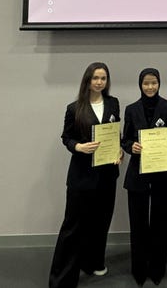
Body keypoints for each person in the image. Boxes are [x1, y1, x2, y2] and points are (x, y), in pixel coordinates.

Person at [48, 62, 122, 288]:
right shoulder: (74, 108)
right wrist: (79, 147)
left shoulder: (113, 103)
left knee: (100, 222)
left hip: (107, 174)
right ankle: (61, 278)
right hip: (82, 175)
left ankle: (93, 262)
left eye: (103, 78)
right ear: (87, 81)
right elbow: (66, 137)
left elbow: (114, 133)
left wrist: (118, 150)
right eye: (95, 78)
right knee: (73, 226)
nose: (99, 82)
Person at [121, 68, 167, 286]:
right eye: (146, 83)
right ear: (140, 85)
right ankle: (139, 269)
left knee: (160, 222)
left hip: (162, 173)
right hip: (138, 174)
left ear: (159, 83)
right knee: (138, 224)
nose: (150, 87)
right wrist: (131, 147)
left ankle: (157, 269)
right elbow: (125, 139)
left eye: (154, 83)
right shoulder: (131, 109)